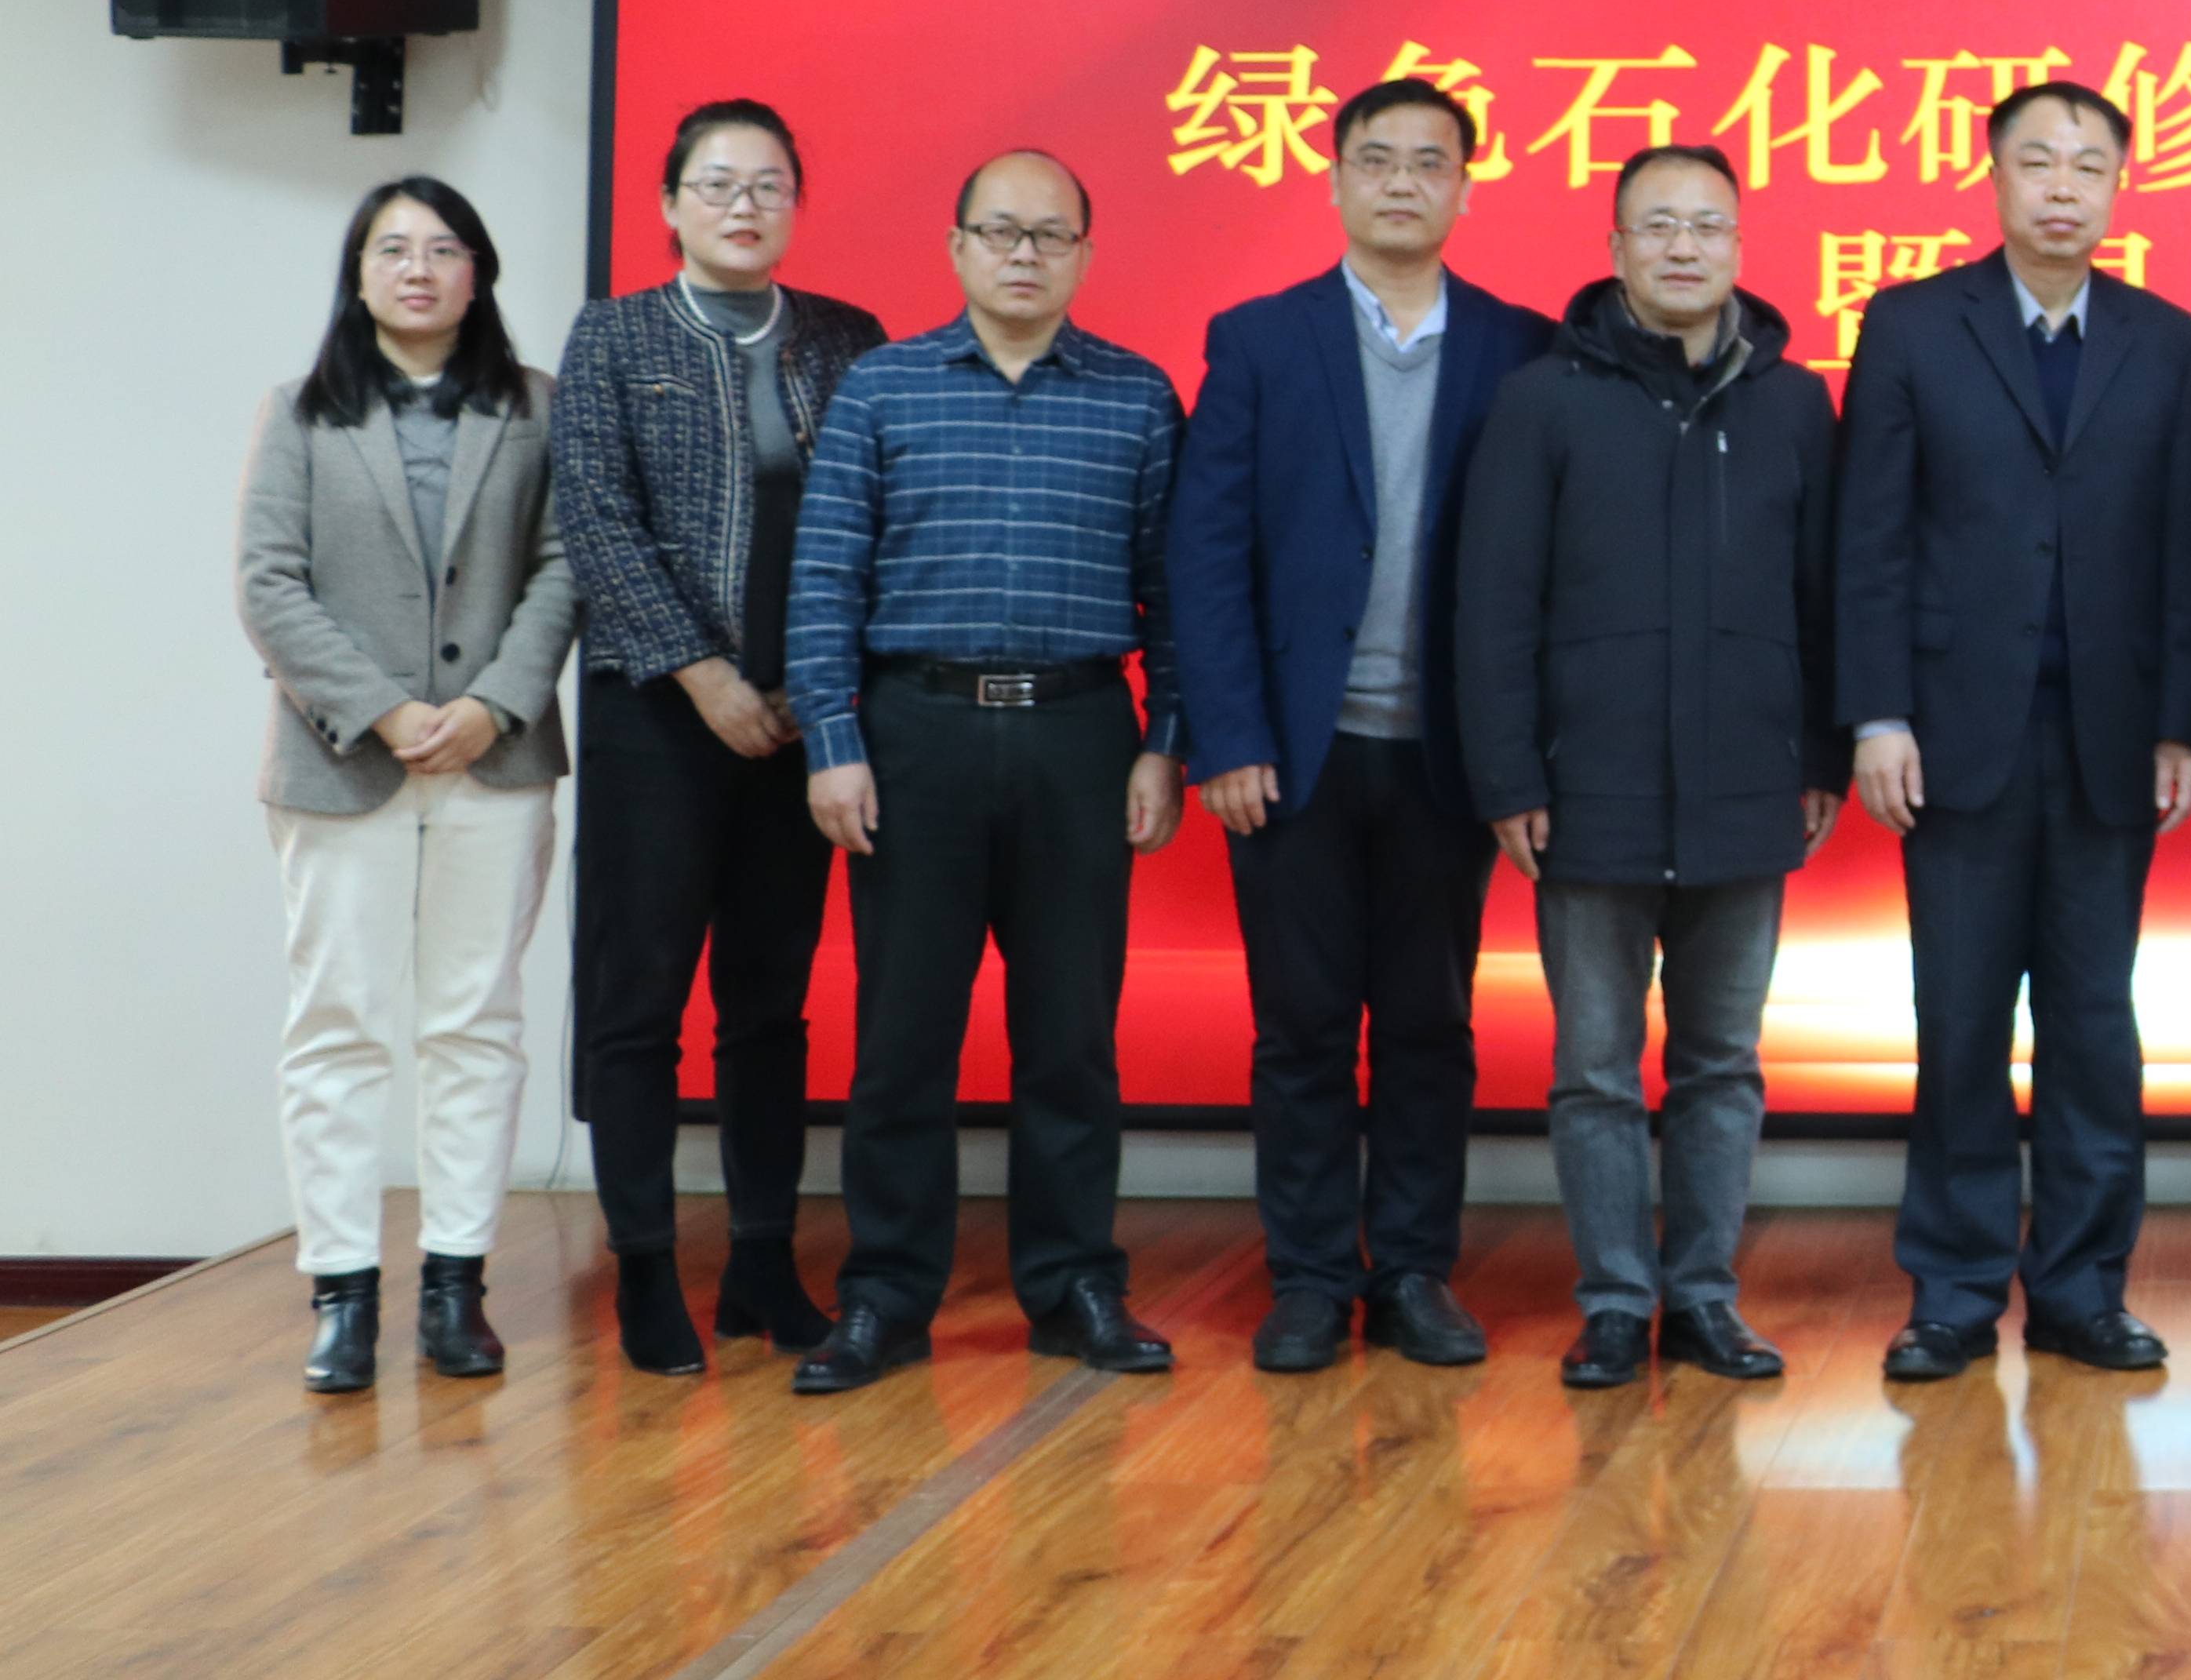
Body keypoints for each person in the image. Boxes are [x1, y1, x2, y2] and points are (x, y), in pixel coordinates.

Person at [782, 151, 1188, 1395]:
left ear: (1084, 255)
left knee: (1071, 1037)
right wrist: (833, 744)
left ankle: (1075, 1288)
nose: (1025, 254)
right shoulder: (883, 388)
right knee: (904, 1038)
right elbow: (824, 577)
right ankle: (886, 1296)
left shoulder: (1136, 396)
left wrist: (1165, 742)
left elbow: (1174, 592)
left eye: (1050, 235)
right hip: (919, 736)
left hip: (1080, 736)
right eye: (1001, 231)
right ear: (956, 247)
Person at [1835, 80, 2191, 1381]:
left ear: (2119, 188)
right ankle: (1950, 1291)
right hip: (1953, 737)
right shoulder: (1910, 324)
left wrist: (2178, 725)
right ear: (1993, 178)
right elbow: (1870, 538)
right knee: (1958, 1020)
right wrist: (1877, 714)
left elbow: (2183, 546)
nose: (2064, 186)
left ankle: (2082, 1289)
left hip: (2109, 737)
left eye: (2089, 166)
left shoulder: (2168, 340)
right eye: (2038, 162)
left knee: (2094, 1026)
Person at [1171, 78, 1554, 1378]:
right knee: (1302, 1029)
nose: (1402, 182)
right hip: (1295, 750)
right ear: (1335, 180)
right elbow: (1207, 551)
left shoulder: (1518, 346)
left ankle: (1413, 1274)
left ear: (1464, 188)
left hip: (1446, 753)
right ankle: (1308, 1278)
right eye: (1377, 160)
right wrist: (1227, 736)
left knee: (1432, 1028)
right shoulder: (1260, 340)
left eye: (1429, 162)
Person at [1461, 144, 1846, 1390]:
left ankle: (1705, 1299)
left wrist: (1822, 751)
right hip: (1590, 791)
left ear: (1740, 244)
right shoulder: (1543, 400)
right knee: (1593, 1069)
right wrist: (1511, 777)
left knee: (1721, 1063)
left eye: (1708, 225)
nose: (1685, 247)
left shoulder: (1793, 404)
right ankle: (1617, 1302)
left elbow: (1825, 596)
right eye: (1659, 225)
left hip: (1746, 786)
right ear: (1617, 247)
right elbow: (1495, 604)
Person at [555, 97, 886, 1376]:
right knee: (637, 1002)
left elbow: (874, 517)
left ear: (796, 203)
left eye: (768, 186)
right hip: (658, 716)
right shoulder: (614, 335)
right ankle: (645, 1267)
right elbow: (595, 518)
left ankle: (760, 1260)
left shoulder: (847, 337)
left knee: (770, 1005)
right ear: (669, 204)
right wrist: (703, 677)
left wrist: (819, 686)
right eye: (717, 184)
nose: (744, 206)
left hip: (800, 719)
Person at [237, 178, 576, 1395]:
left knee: (474, 1023)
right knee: (337, 1025)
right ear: (360, 274)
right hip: (340, 763)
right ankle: (340, 1294)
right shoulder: (300, 412)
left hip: (497, 759)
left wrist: (491, 706)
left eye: (443, 250)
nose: (418, 269)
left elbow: (564, 568)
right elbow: (268, 584)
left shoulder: (536, 407)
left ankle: (454, 1288)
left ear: (478, 275)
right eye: (393, 249)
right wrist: (384, 708)